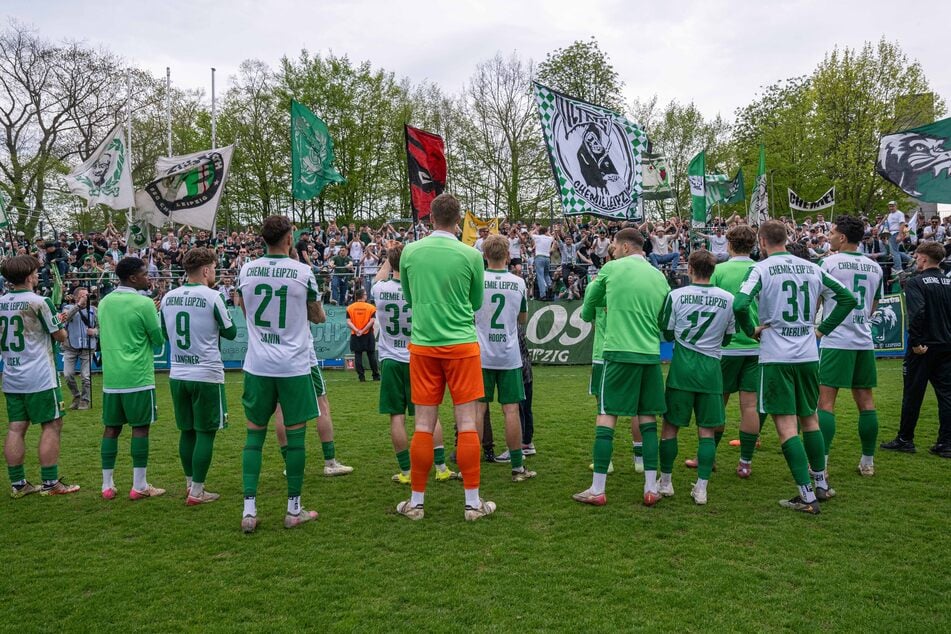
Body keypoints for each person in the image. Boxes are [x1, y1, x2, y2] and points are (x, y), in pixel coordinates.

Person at [734, 221, 857, 514]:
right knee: (810, 419)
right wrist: (821, 330)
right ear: (786, 239)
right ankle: (822, 485)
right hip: (807, 354)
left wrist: (751, 330)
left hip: (776, 356)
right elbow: (848, 299)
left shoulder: (761, 269)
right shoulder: (812, 267)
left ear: (762, 241)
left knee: (786, 426)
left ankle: (806, 495)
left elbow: (740, 304)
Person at [396, 193, 495, 521]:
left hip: (423, 346)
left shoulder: (411, 251)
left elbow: (409, 297)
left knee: (423, 424)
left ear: (430, 218)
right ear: (458, 221)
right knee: (467, 422)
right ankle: (471, 503)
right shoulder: (471, 255)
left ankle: (416, 503)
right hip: (462, 346)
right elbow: (476, 301)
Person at [236, 215, 324, 533]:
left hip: (257, 364)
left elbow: (245, 309)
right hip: (294, 365)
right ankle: (293, 510)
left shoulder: (246, 270)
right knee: (296, 436)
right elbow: (318, 316)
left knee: (253, 437)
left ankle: (249, 511)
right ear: (289, 239)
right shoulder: (302, 272)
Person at [575, 228, 670, 507]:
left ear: (626, 247)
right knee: (649, 419)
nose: (612, 251)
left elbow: (587, 308)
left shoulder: (611, 270)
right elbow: (665, 322)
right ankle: (651, 488)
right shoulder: (659, 277)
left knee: (606, 416)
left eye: (614, 246)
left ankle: (598, 489)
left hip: (618, 352)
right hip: (650, 355)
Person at [371, 243, 457, 483]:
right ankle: (440, 468)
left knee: (396, 416)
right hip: (418, 356)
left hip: (390, 358)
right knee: (430, 414)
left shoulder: (380, 289)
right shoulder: (419, 289)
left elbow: (378, 277)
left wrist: (390, 258)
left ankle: (407, 472)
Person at [159, 248, 238, 505]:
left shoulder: (168, 297)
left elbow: (164, 334)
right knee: (205, 432)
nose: (214, 273)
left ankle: (189, 483)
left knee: (187, 431)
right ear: (205, 270)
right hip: (206, 372)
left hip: (178, 372)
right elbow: (230, 332)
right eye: (214, 268)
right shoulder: (213, 296)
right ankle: (198, 491)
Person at [657, 250, 736, 505]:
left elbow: (667, 333)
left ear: (689, 268)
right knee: (707, 432)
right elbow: (727, 338)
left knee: (670, 427)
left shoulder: (676, 295)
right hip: (711, 370)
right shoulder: (728, 299)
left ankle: (666, 482)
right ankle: (701, 488)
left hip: (682, 368)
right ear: (713, 270)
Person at [1, 255, 80, 498]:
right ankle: (51, 482)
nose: (38, 275)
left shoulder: (1, 301)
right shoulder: (40, 301)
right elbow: (61, 336)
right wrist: (62, 321)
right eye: (35, 272)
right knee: (52, 424)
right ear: (27, 276)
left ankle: (18, 484)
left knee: (16, 427)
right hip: (39, 375)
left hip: (12, 374)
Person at [272, 246, 353, 479]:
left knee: (281, 409)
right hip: (301, 353)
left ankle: (289, 464)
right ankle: (330, 462)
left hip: (272, 353)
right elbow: (319, 317)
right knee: (322, 404)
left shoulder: (258, 273)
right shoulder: (302, 274)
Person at [692, 225, 765, 478]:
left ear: (729, 245)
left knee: (716, 405)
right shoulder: (762, 269)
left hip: (725, 347)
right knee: (750, 406)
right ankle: (745, 462)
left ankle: (708, 458)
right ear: (753, 245)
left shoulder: (719, 271)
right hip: (756, 345)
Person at [817, 216, 884, 477]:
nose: (829, 236)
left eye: (832, 232)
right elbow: (873, 306)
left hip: (835, 340)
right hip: (863, 340)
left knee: (826, 403)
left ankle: (820, 463)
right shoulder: (875, 267)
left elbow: (817, 302)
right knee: (866, 401)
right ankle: (868, 461)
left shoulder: (828, 263)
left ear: (842, 237)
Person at [98, 256, 166, 500]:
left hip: (111, 378)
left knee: (111, 429)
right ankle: (139, 485)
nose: (149, 277)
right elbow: (158, 339)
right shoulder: (144, 303)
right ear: (133, 277)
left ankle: (107, 485)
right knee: (140, 428)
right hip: (138, 376)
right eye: (145, 273)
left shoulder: (105, 302)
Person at [881, 241, 951, 457]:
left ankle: (905, 439)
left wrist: (916, 342)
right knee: (947, 395)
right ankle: (946, 443)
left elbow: (918, 312)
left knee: (912, 393)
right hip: (946, 344)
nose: (915, 259)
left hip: (924, 346)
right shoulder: (948, 283)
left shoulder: (916, 282)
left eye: (917, 256)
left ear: (923, 258)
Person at [474, 235, 535, 482]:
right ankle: (518, 467)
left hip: (481, 354)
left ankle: (472, 465)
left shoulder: (477, 280)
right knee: (511, 410)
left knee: (478, 410)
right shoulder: (518, 282)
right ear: (507, 255)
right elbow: (522, 318)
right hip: (509, 355)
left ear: (485, 256)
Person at [60, 287, 98, 410]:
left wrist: (95, 331)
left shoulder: (94, 310)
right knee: (68, 374)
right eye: (83, 296)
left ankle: (85, 400)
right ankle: (76, 395)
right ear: (76, 297)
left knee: (86, 376)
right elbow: (64, 319)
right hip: (70, 346)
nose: (86, 298)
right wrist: (78, 306)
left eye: (88, 295)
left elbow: (102, 327)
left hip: (88, 346)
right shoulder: (67, 308)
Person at [346, 287, 380, 382]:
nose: (366, 296)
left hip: (355, 334)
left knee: (358, 355)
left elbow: (348, 322)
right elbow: (372, 321)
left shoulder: (350, 308)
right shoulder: (371, 307)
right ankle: (376, 375)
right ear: (363, 296)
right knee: (371, 355)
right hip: (368, 334)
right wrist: (363, 330)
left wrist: (357, 330)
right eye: (365, 294)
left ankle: (361, 377)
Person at [532, 226, 554, 301]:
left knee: (540, 276)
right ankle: (549, 285)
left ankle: (543, 295)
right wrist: (548, 233)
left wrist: (536, 229)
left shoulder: (537, 237)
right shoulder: (549, 238)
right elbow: (553, 237)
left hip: (539, 257)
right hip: (547, 258)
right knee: (546, 274)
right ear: (546, 232)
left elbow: (530, 234)